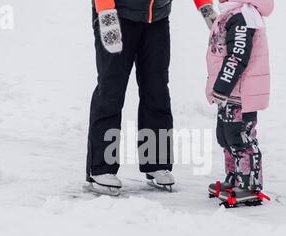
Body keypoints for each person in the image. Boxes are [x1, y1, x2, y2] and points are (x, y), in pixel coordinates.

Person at [87, 0, 218, 195]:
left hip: (157, 18)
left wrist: (205, 7)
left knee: (157, 90)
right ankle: (101, 168)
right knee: (111, 91)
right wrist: (106, 13)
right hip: (117, 16)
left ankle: (155, 164)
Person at [205, 0, 274, 205]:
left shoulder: (244, 17)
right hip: (229, 92)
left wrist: (222, 86)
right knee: (226, 137)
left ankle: (248, 185)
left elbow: (237, 55)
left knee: (240, 138)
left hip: (239, 94)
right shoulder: (231, 13)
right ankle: (235, 178)